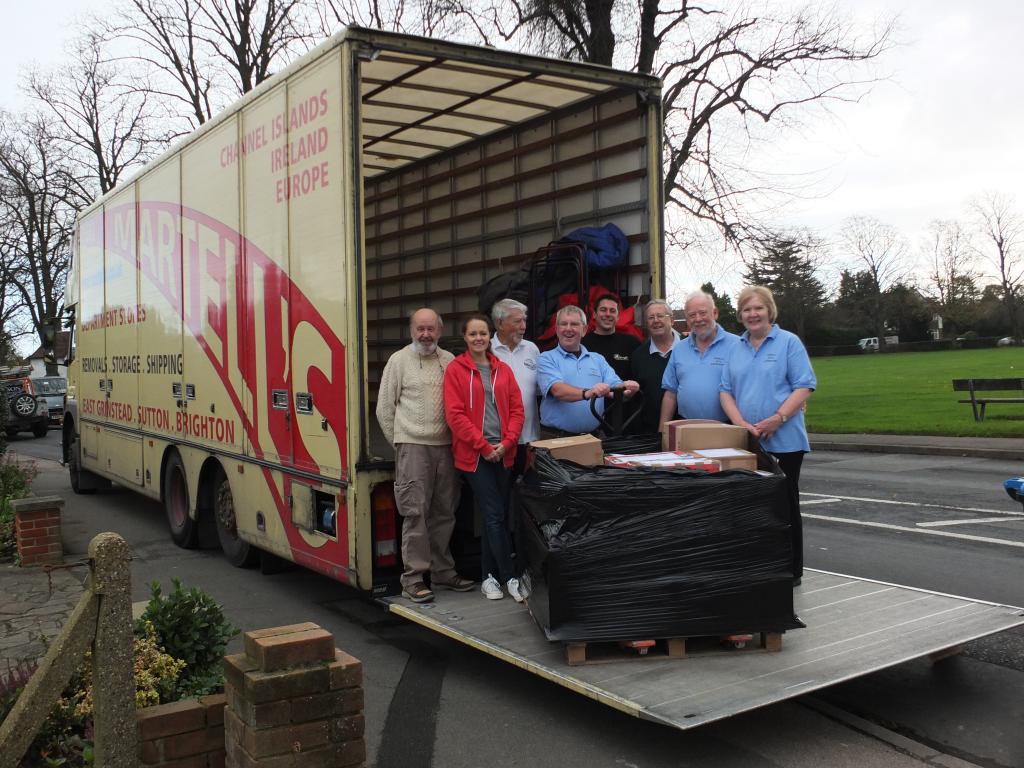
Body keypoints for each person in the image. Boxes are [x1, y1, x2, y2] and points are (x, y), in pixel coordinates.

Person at [376, 308, 474, 604]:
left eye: (431, 329)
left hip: (446, 448)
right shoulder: (398, 361)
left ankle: (443, 571)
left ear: (440, 331)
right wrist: (402, 444)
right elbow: (384, 409)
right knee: (415, 513)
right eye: (420, 328)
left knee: (444, 511)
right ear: (411, 330)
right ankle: (414, 578)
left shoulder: (450, 362)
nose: (426, 334)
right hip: (413, 447)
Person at [719, 286, 816, 585]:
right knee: (752, 506)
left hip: (784, 440)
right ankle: (762, 565)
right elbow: (725, 391)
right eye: (747, 309)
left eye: (758, 308)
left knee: (784, 505)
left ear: (769, 311)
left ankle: (791, 570)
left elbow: (804, 385)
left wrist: (778, 418)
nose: (753, 314)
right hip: (749, 440)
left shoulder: (788, 343)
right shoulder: (736, 347)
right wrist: (741, 425)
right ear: (740, 315)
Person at [444, 314, 526, 602]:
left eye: (483, 334)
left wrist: (506, 443)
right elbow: (455, 415)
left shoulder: (502, 369)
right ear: (465, 338)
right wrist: (483, 446)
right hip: (475, 455)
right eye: (472, 334)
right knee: (493, 514)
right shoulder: (456, 370)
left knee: (499, 516)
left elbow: (518, 410)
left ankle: (488, 578)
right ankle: (510, 577)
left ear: (489, 336)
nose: (478, 338)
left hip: (504, 453)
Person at [537, 305, 639, 436]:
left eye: (574, 324)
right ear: (556, 330)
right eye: (563, 324)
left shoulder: (597, 359)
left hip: (593, 436)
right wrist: (588, 393)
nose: (568, 329)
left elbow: (615, 389)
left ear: (584, 330)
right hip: (556, 437)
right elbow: (557, 390)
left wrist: (627, 389)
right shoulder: (546, 358)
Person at [659, 291, 740, 428]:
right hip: (685, 427)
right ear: (687, 320)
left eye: (703, 313)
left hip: (727, 427)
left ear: (715, 313)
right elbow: (671, 393)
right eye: (692, 315)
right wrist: (662, 431)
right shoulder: (679, 349)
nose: (698, 319)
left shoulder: (737, 345)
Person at [490, 298, 540, 464]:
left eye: (524, 320)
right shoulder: (486, 350)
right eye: (518, 321)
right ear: (500, 323)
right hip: (498, 440)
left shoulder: (532, 349)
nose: (524, 327)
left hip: (530, 437)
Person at [629, 299, 680, 434]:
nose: (655, 320)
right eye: (651, 318)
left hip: (687, 429)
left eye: (660, 316)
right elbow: (636, 398)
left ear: (672, 320)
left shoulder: (689, 350)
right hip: (650, 433)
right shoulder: (638, 356)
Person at [582, 293, 640, 381]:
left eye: (612, 311)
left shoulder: (632, 344)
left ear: (618, 317)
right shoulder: (582, 344)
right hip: (592, 394)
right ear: (594, 314)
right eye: (603, 310)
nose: (608, 314)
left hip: (624, 394)